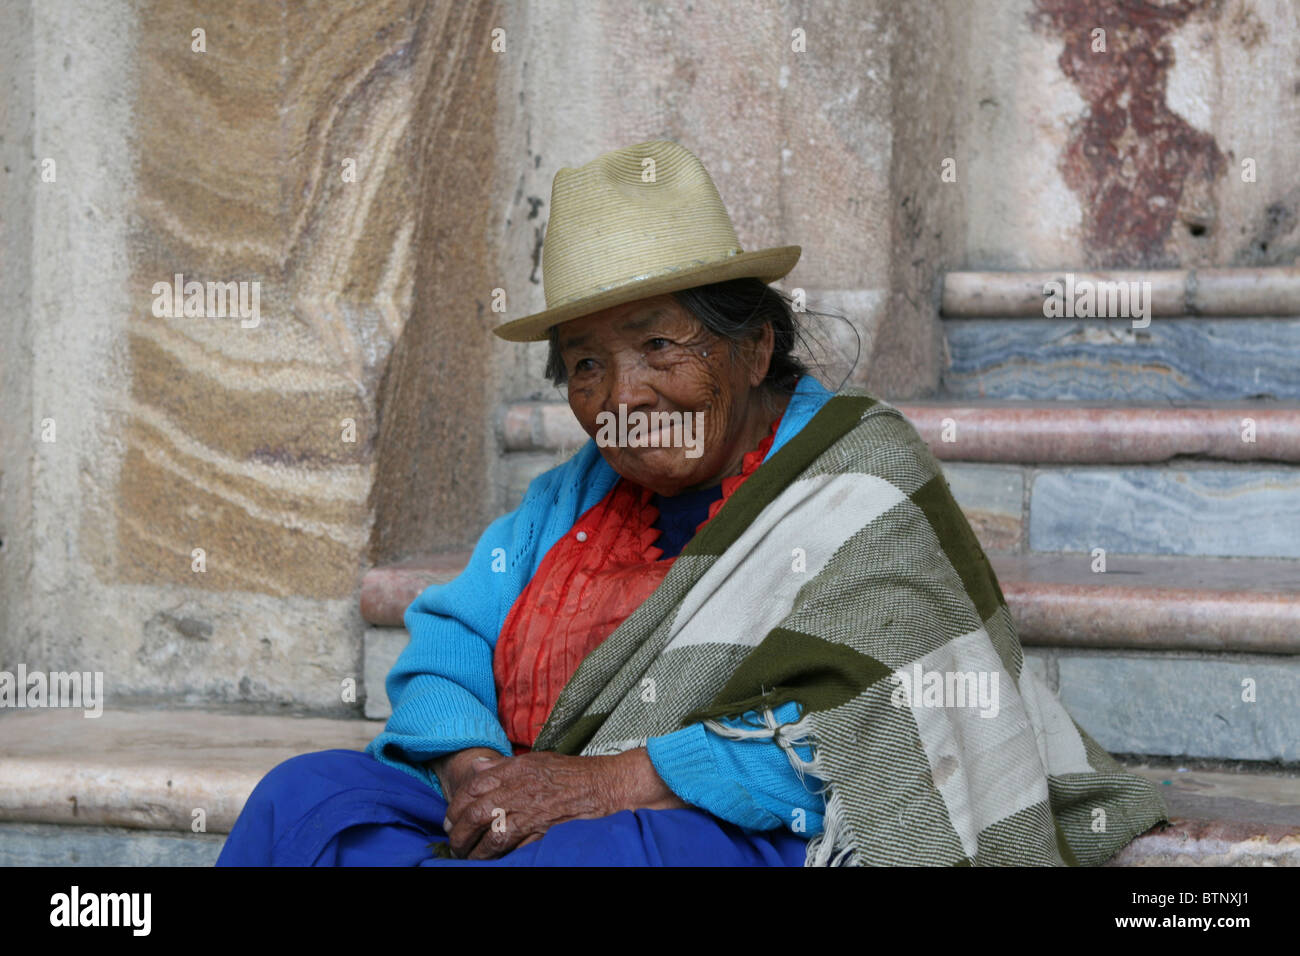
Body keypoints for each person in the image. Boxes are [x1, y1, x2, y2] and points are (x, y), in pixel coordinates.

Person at [217, 140, 1167, 866]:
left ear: (754, 347)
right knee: (304, 801)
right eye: (587, 364)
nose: (621, 401)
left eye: (659, 347)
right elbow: (443, 648)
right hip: (530, 800)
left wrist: (605, 783)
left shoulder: (856, 480)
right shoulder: (572, 498)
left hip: (732, 828)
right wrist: (477, 774)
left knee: (581, 856)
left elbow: (882, 725)